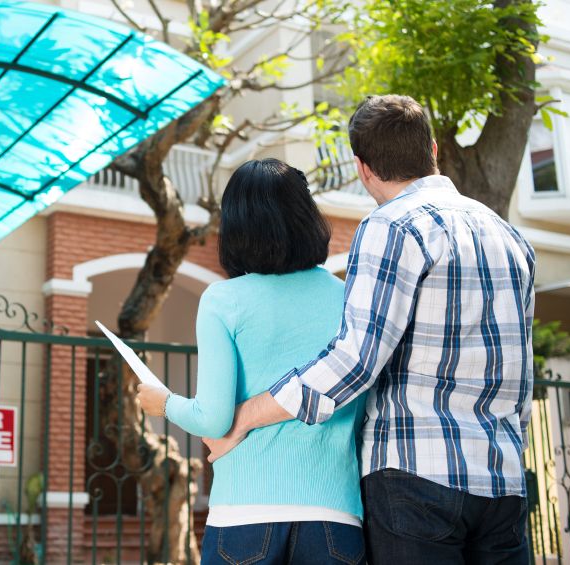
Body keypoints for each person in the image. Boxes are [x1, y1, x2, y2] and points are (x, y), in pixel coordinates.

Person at [204, 95, 536, 565]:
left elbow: (354, 362)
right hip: (503, 482)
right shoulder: (510, 237)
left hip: (415, 482)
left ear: (362, 167)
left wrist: (244, 417)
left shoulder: (391, 227)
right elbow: (522, 372)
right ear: (434, 151)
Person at [137, 158, 366, 565]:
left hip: (245, 516)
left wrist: (164, 403)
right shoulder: (349, 298)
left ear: (237, 226)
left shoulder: (224, 301)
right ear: (306, 217)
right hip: (335, 516)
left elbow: (213, 420)